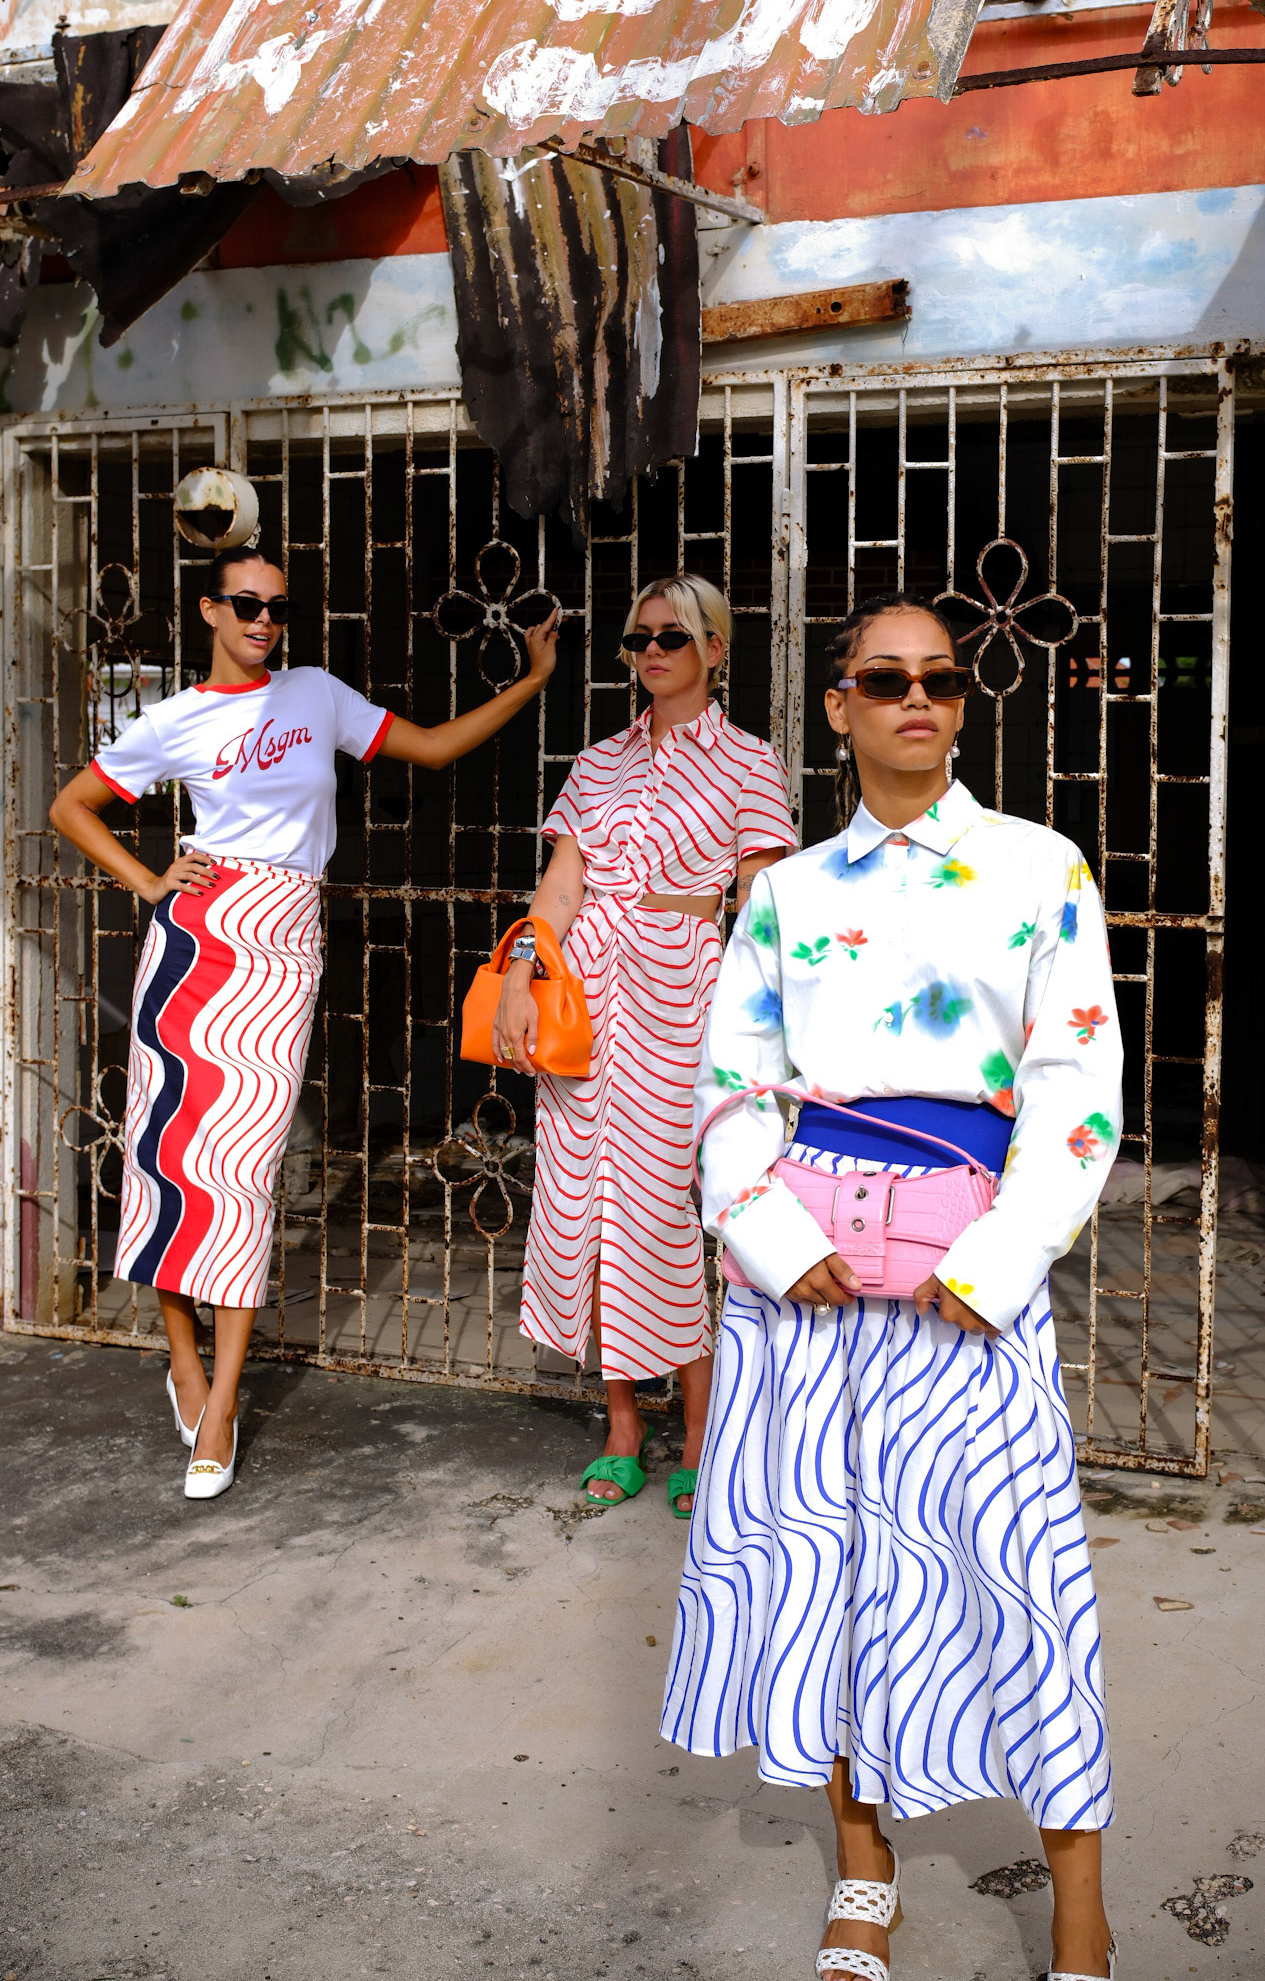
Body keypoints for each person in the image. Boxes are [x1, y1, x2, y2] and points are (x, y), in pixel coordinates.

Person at [661, 592, 1123, 1981]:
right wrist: (763, 1233)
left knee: (1023, 1581)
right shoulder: (787, 893)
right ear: (838, 706)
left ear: (961, 704)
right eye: (885, 677)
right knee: (831, 1571)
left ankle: (1083, 1912)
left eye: (941, 677)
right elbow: (731, 1085)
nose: (916, 697)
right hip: (803, 1288)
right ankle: (862, 1868)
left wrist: (1003, 1255)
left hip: (969, 1282)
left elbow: (1076, 1085)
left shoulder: (1040, 866)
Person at [50, 547, 557, 1499]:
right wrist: (150, 882)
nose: (264, 621)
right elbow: (71, 806)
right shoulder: (174, 718)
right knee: (170, 1162)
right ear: (210, 609)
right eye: (246, 604)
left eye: (278, 608)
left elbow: (433, 748)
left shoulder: (316, 694)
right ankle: (186, 1366)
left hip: (283, 944)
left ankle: (225, 1401)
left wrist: (532, 679)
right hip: (195, 945)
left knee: (243, 1176)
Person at [494, 575, 797, 1515]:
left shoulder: (749, 762)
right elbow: (560, 889)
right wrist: (518, 974)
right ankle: (622, 1425)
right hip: (585, 1004)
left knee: (667, 1212)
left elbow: (762, 904)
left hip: (683, 1002)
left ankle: (702, 1433)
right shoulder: (597, 763)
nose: (652, 651)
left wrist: (756, 1024)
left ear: (715, 648)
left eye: (673, 635)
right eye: (638, 638)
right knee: (586, 1207)